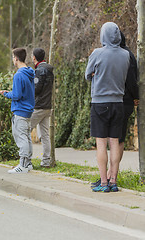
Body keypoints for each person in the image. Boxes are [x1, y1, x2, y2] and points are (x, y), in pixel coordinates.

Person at [85, 22, 130, 192]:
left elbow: (87, 75)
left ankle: (103, 183)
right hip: (118, 103)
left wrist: (97, 74)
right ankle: (114, 181)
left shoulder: (97, 53)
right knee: (115, 143)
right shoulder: (125, 55)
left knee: (101, 145)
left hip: (99, 103)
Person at [0, 48, 35, 174]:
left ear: (16, 58)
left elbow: (17, 95)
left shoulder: (19, 75)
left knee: (21, 138)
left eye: (13, 57)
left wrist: (6, 94)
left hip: (20, 110)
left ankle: (23, 165)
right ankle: (28, 163)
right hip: (28, 110)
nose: (13, 59)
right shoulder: (30, 72)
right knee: (27, 137)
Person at [30, 48, 54, 167]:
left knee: (24, 131)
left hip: (38, 107)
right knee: (45, 135)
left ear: (34, 57)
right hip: (47, 106)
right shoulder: (49, 69)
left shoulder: (39, 70)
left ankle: (26, 160)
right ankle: (46, 161)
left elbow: (36, 88)